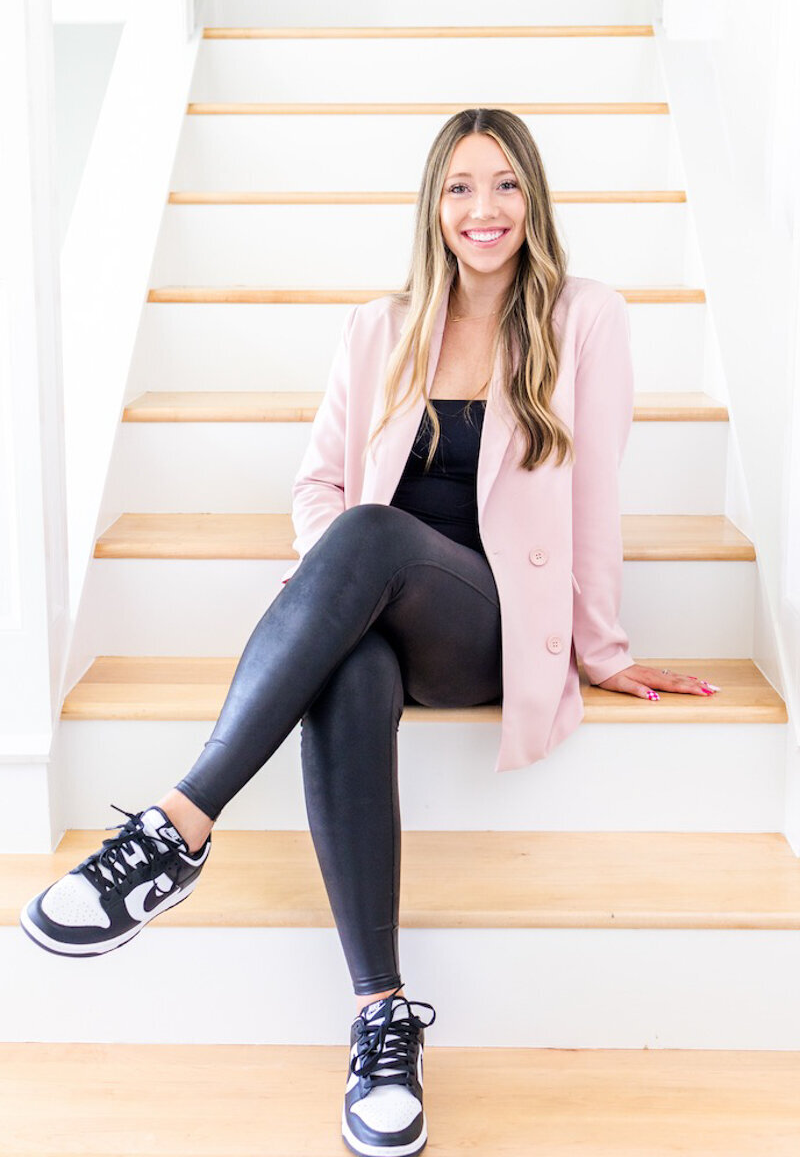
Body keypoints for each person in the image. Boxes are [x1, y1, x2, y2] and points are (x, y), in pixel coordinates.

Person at [19, 107, 720, 1157]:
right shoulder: (378, 327)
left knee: (369, 534)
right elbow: (317, 482)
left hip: (483, 624)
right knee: (345, 658)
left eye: (503, 186)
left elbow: (594, 497)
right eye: (458, 188)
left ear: (532, 199)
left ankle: (174, 830)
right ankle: (379, 1016)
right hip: (379, 607)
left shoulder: (584, 318)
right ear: (430, 207)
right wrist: (334, 582)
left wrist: (601, 651)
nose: (482, 211)